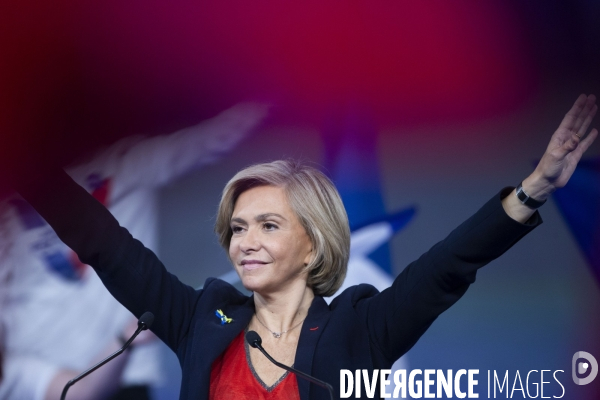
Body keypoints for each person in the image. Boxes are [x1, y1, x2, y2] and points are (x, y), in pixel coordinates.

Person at [10, 94, 598, 399]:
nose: (245, 242)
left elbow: (446, 268)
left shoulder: (358, 328)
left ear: (314, 245)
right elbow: (106, 244)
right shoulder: (202, 319)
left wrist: (530, 192)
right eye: (238, 228)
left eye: (268, 225)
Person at [0, 102, 269, 400]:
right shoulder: (9, 196)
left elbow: (215, 138)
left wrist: (281, 85)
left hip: (126, 367)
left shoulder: (123, 160)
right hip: (40, 377)